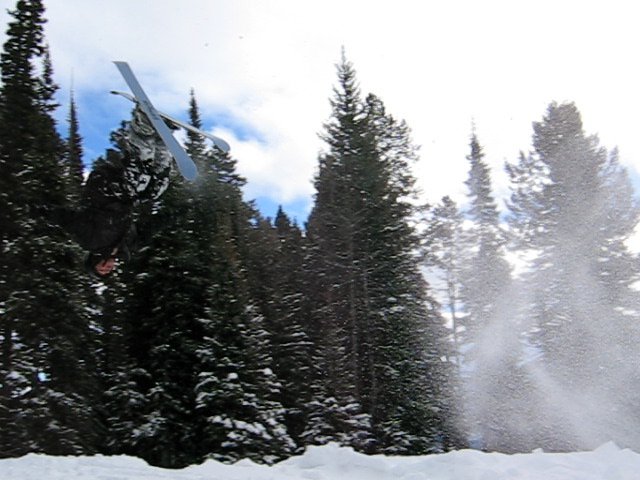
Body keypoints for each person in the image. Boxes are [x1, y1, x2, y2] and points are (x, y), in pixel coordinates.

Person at [52, 107, 173, 277]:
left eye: (101, 268)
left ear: (93, 262)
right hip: (126, 197)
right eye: (108, 270)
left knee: (139, 178)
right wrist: (176, 214)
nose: (108, 267)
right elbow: (149, 228)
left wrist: (38, 210)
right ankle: (162, 140)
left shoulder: (89, 241)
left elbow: (67, 218)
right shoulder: (127, 246)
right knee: (155, 189)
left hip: (104, 189)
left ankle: (143, 127)